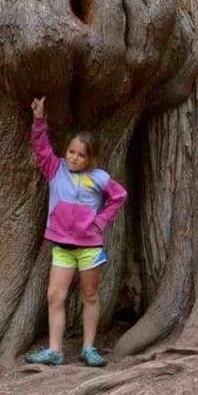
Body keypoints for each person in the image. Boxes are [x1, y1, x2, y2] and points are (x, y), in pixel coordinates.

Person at [25, 96, 127, 367]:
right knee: (55, 296)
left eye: (81, 155)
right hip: (62, 247)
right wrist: (39, 121)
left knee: (90, 296)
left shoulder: (100, 178)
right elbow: (41, 146)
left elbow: (119, 196)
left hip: (89, 247)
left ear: (90, 158)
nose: (74, 157)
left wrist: (100, 221)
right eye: (71, 152)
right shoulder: (55, 168)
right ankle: (55, 351)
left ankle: (89, 348)